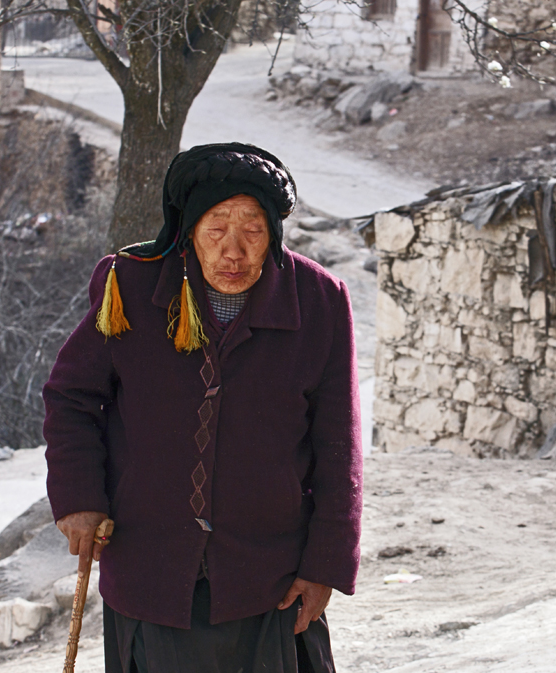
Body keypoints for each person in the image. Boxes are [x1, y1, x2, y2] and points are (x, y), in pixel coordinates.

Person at [42, 143, 363, 673]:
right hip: (152, 568)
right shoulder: (130, 281)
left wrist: (325, 564)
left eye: (253, 230)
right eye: (217, 228)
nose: (233, 250)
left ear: (274, 235)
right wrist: (79, 497)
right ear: (188, 230)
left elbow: (338, 444)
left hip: (269, 576)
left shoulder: (318, 300)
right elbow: (73, 396)